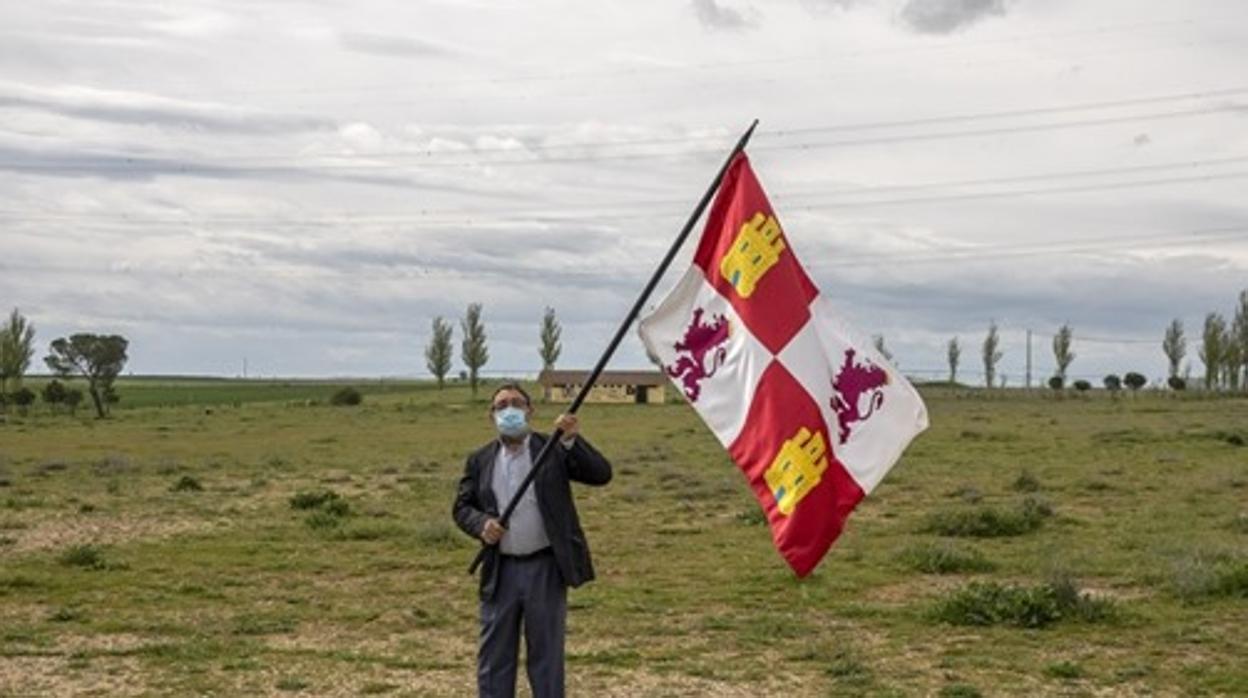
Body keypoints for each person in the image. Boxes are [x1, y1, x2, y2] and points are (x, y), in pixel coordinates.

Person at [452, 383, 612, 698]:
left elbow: (600, 474)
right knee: (494, 657)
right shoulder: (480, 459)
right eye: (501, 406)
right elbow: (461, 507)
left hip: (546, 567)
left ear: (530, 410)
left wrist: (570, 440)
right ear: (491, 416)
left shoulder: (550, 448)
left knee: (546, 656)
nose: (509, 410)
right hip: (501, 571)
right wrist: (482, 524)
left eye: (516, 403)